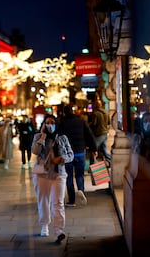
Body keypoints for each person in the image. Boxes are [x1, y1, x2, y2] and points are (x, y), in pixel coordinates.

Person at [31, 114, 74, 244]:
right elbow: (35, 151)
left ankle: (58, 230)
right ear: (43, 124)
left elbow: (70, 155)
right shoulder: (38, 137)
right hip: (42, 175)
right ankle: (44, 224)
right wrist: (42, 136)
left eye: (53, 122)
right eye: (48, 122)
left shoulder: (62, 138)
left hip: (59, 174)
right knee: (43, 200)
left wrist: (61, 159)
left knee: (58, 203)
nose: (50, 125)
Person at [58, 104, 97, 207]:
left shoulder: (62, 123)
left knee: (69, 176)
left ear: (64, 112)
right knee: (80, 175)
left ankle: (72, 200)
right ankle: (81, 191)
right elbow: (89, 135)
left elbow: (59, 139)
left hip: (68, 155)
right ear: (73, 111)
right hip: (80, 152)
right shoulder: (81, 122)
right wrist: (94, 148)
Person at [88, 99, 112, 166]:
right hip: (105, 133)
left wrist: (89, 125)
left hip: (99, 134)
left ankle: (92, 165)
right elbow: (109, 123)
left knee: (94, 149)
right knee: (104, 149)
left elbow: (94, 124)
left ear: (95, 105)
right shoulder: (106, 113)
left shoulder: (95, 113)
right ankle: (111, 161)